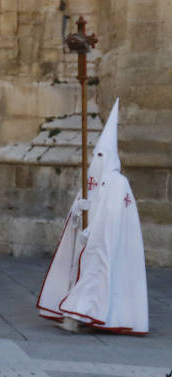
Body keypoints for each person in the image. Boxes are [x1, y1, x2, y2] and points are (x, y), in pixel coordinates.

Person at [38, 100, 147, 334]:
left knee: (99, 272)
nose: (96, 159)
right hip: (88, 242)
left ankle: (79, 315)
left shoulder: (119, 183)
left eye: (101, 155)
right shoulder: (93, 179)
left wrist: (93, 234)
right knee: (88, 272)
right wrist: (78, 211)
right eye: (95, 154)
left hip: (105, 243)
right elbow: (81, 210)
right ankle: (79, 314)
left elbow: (113, 219)